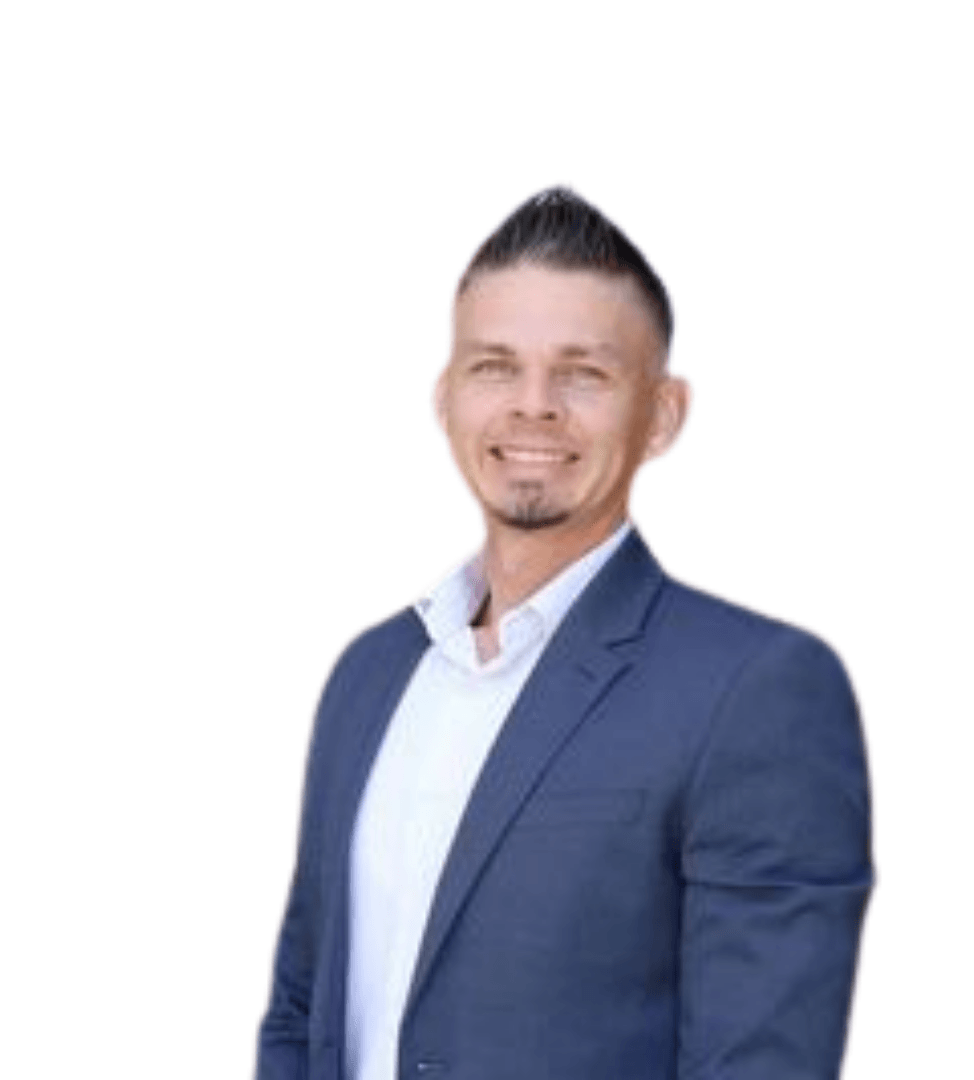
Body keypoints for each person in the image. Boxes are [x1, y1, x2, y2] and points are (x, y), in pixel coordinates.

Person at [255, 188, 873, 1080]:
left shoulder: (757, 689)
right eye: (495, 366)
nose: (534, 406)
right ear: (446, 398)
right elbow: (302, 1005)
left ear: (662, 413)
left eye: (583, 373)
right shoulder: (371, 673)